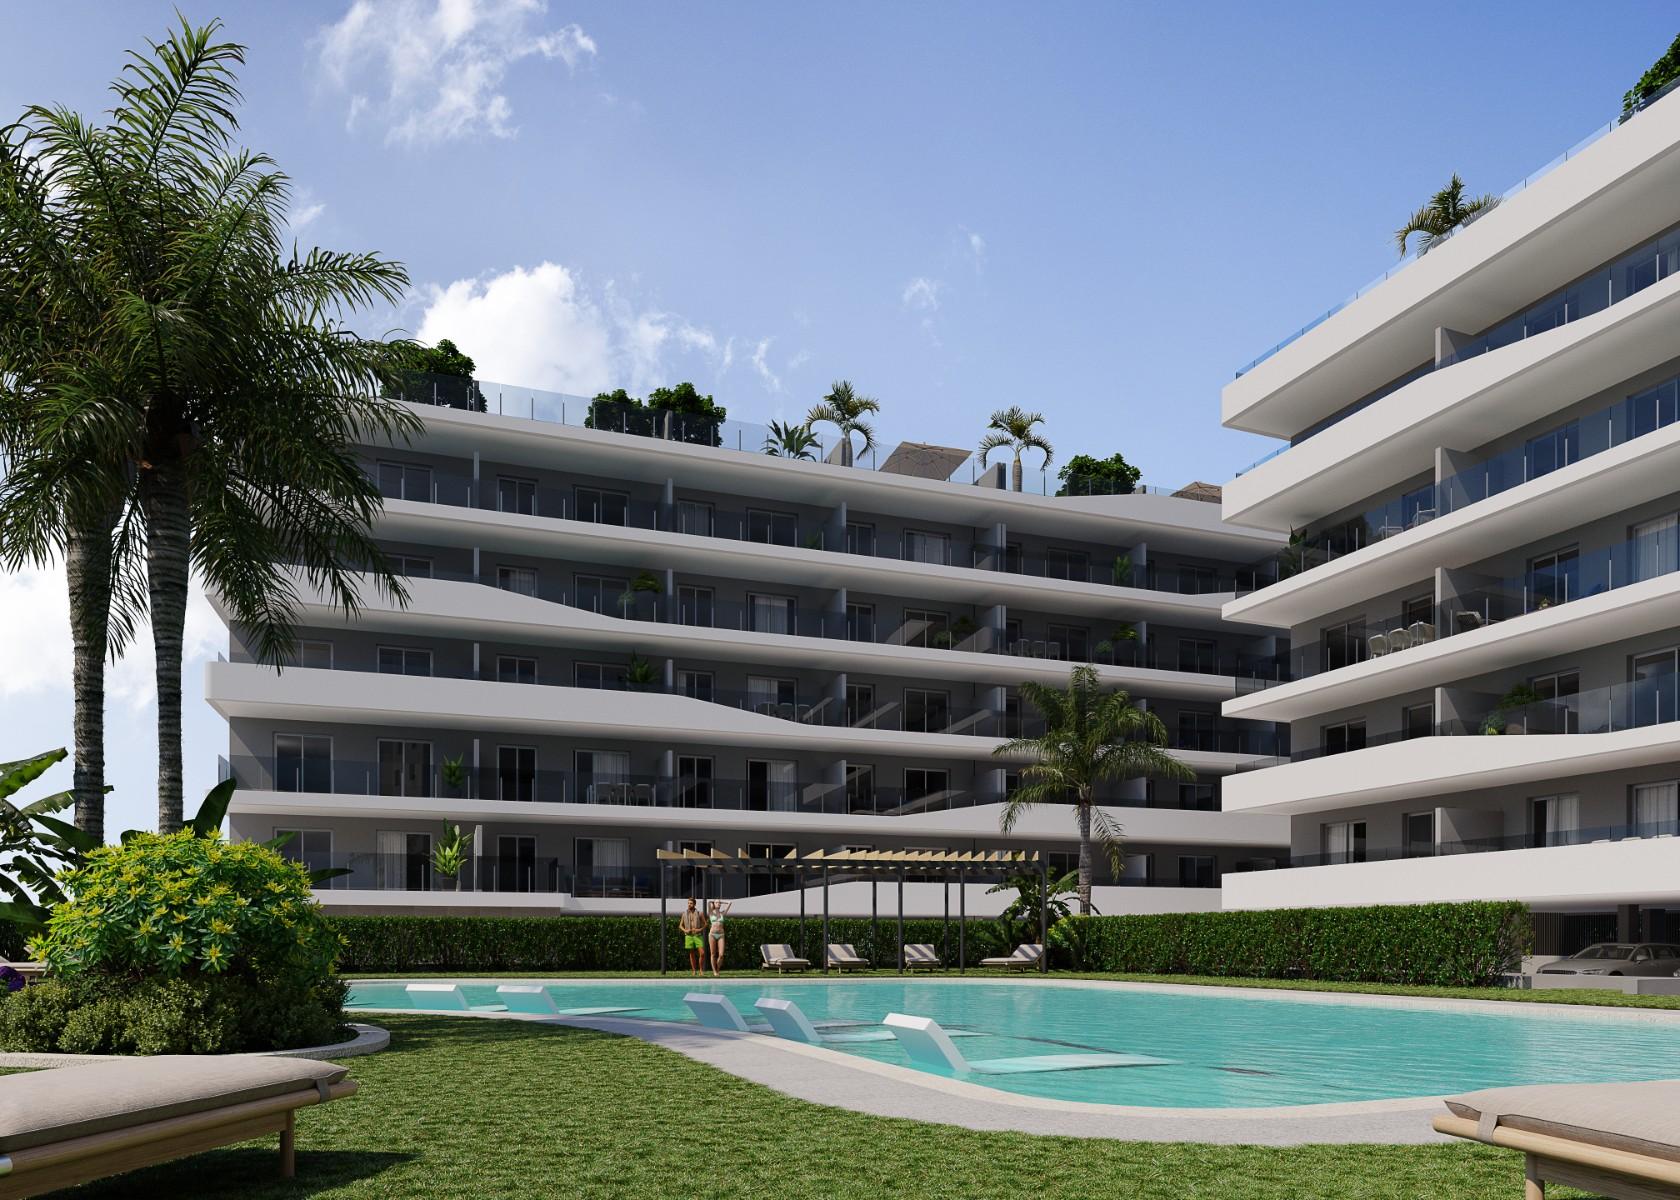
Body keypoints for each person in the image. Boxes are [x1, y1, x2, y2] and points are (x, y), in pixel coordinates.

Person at [678, 898, 706, 977]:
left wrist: (700, 929)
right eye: (688, 903)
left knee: (702, 953)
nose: (689, 904)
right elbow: (680, 925)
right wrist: (685, 930)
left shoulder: (699, 913)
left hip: (697, 935)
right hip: (688, 936)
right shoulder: (684, 913)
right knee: (691, 954)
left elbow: (705, 924)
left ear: (694, 904)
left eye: (691, 903)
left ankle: (701, 969)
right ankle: (694, 970)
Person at [707, 899, 733, 977]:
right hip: (712, 934)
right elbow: (708, 902)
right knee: (713, 954)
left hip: (721, 935)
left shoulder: (722, 913)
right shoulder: (711, 913)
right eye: (717, 903)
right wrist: (713, 902)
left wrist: (721, 901)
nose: (718, 904)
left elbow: (730, 902)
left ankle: (717, 969)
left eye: (719, 903)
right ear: (714, 904)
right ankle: (714, 971)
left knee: (721, 955)